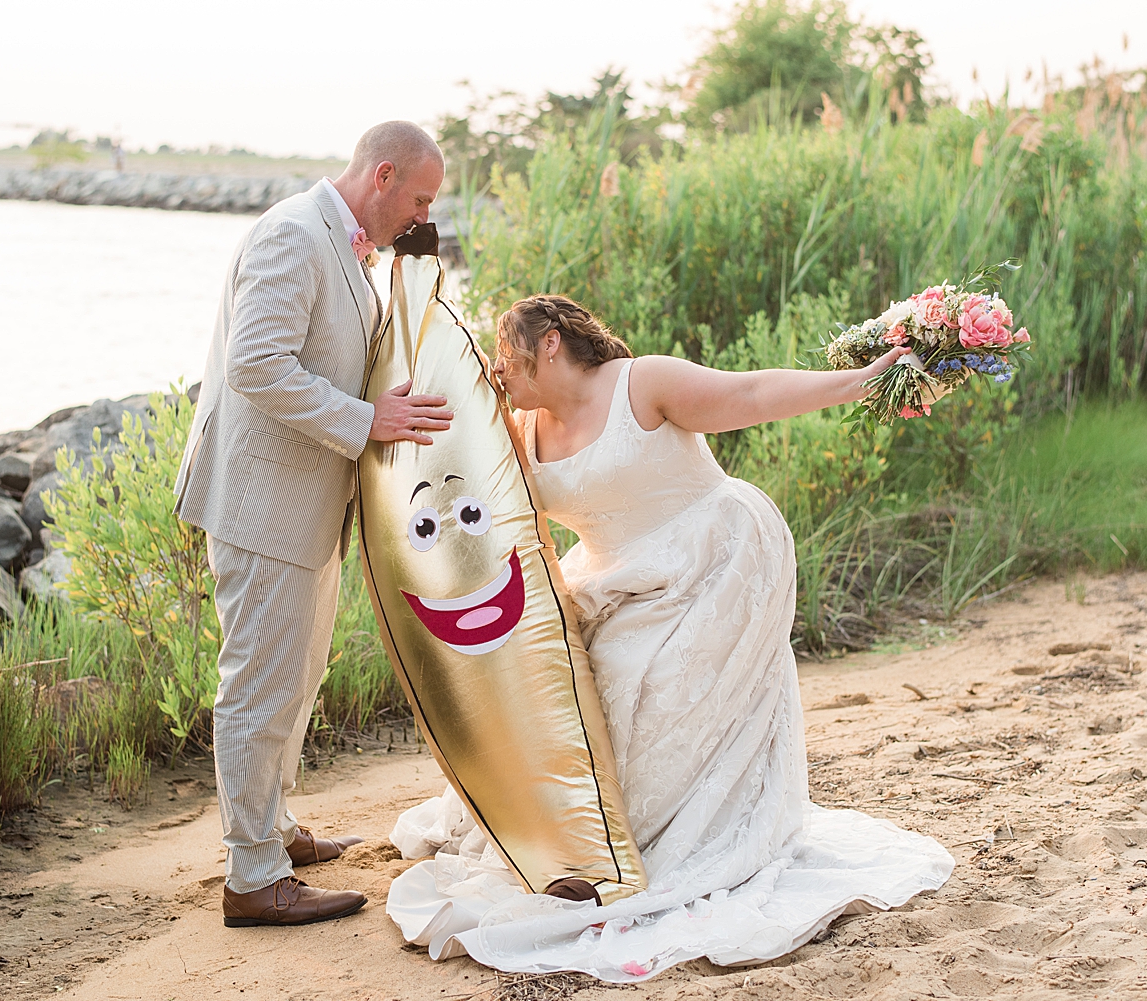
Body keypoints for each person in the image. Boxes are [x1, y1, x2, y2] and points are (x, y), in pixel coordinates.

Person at [385, 295, 954, 979]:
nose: (501, 368)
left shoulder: (642, 384)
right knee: (575, 701)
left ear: (553, 344)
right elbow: (451, 465)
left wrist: (864, 378)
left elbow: (754, 391)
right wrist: (448, 380)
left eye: (507, 352)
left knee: (636, 690)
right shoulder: (520, 427)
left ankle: (657, 844)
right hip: (611, 573)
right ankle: (584, 844)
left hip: (712, 558)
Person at [174, 121, 453, 928]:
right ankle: (252, 876)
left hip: (307, 507)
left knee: (296, 676)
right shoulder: (295, 234)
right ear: (385, 173)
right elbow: (255, 364)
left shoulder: (345, 242)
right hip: (263, 505)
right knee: (259, 685)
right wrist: (368, 421)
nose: (425, 213)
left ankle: (276, 830)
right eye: (422, 198)